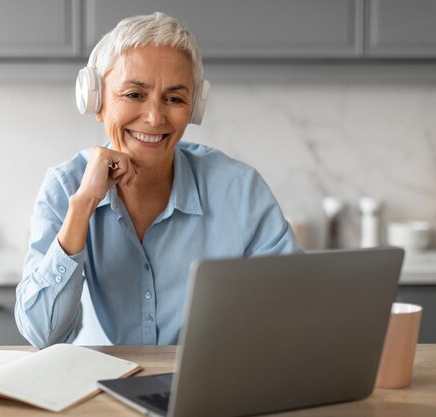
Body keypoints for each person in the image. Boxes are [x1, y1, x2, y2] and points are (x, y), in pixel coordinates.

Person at [15, 12, 300, 349]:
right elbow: (41, 335)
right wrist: (82, 206)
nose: (154, 117)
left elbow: (292, 313)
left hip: (205, 387)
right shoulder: (65, 187)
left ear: (194, 108)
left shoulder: (239, 190)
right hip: (95, 386)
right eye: (134, 94)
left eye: (175, 99)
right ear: (96, 100)